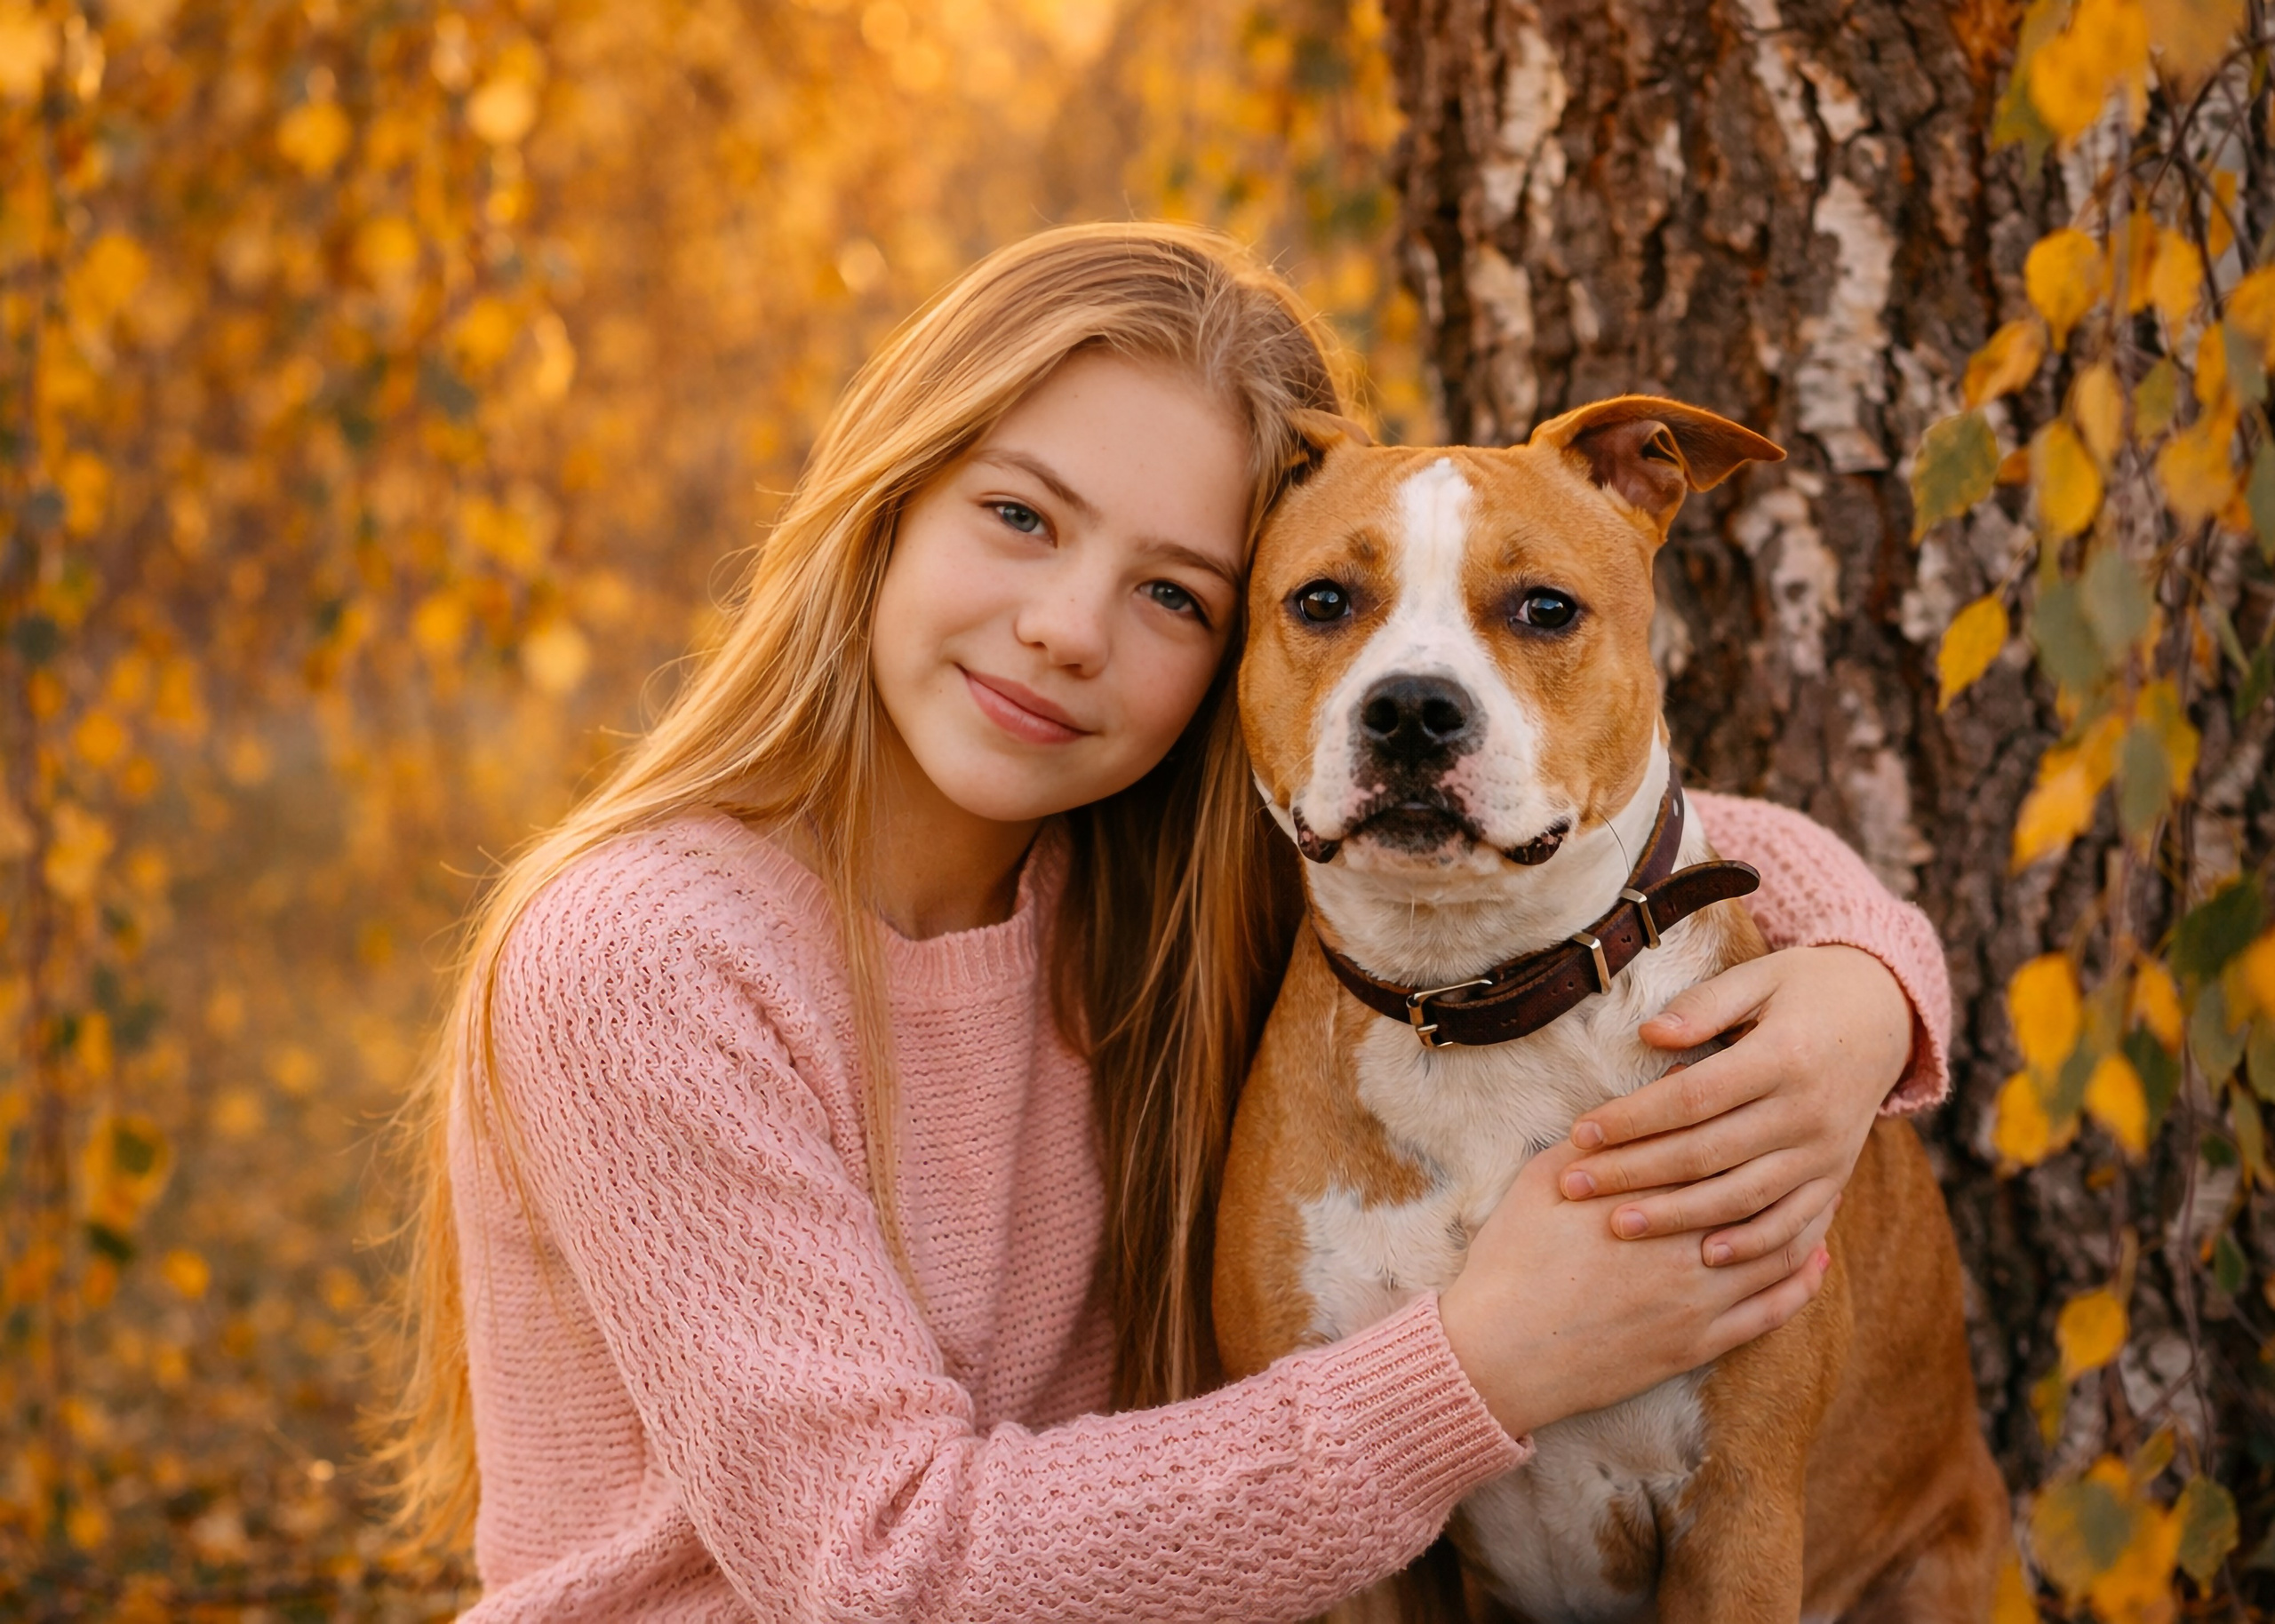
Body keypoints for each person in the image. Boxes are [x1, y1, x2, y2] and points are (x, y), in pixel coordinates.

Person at [385, 223, 1951, 1620]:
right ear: (884, 499)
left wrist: (1863, 989)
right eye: (1018, 514)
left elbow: (1631, 850)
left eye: (1173, 595)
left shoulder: (1174, 873)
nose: (1066, 629)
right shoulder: (647, 960)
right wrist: (1486, 1360)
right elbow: (883, 1571)